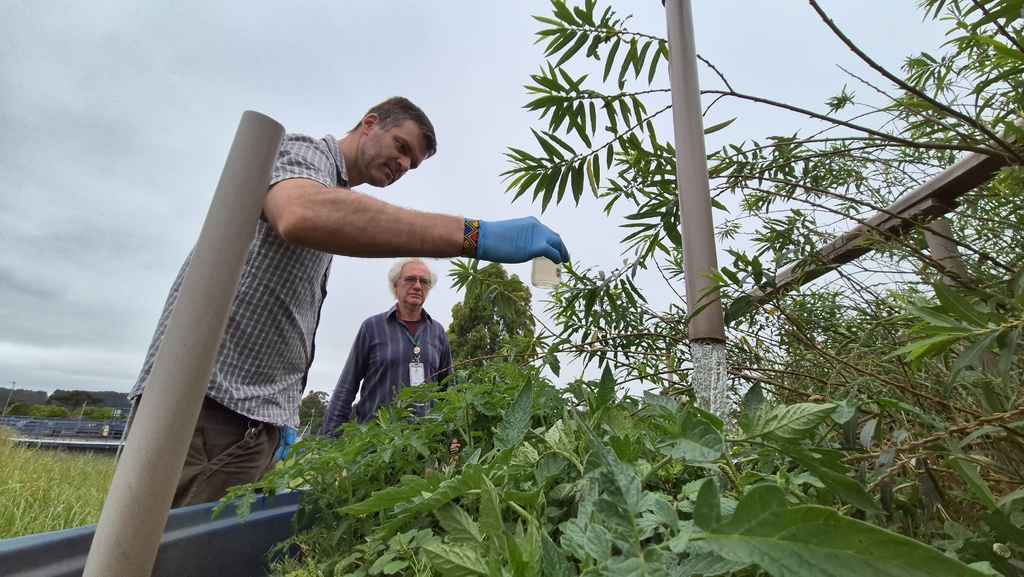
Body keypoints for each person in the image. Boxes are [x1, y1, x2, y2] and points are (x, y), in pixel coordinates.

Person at [129, 96, 570, 507]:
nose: (403, 165)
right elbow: (300, 213)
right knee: (177, 555)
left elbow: (446, 388)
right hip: (211, 405)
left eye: (411, 163)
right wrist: (476, 236)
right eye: (401, 147)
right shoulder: (304, 155)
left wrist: (281, 414)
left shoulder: (435, 331)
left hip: (254, 416)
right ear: (370, 123)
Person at [321, 258, 453, 437]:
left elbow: (448, 390)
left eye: (424, 281)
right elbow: (347, 385)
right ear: (395, 285)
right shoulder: (372, 327)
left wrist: (452, 438)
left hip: (425, 444)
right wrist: (331, 438)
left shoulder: (437, 332)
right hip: (376, 443)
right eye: (410, 279)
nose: (417, 286)